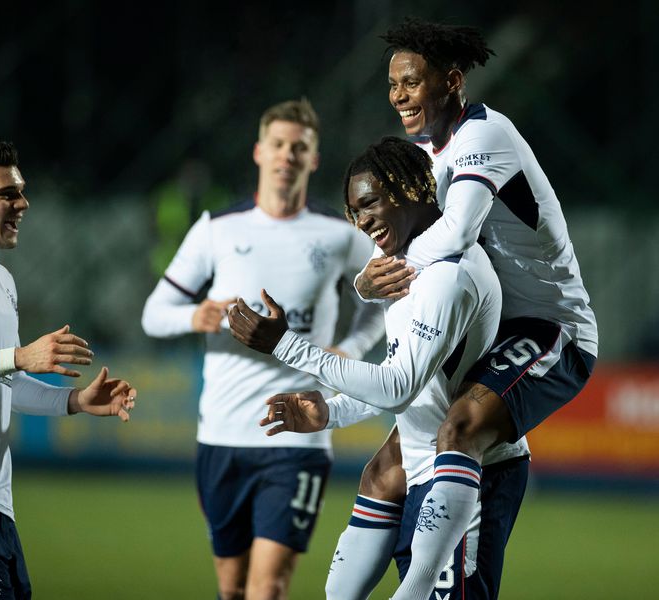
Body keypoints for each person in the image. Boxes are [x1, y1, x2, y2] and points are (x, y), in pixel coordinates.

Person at [331, 17, 598, 600]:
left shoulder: (484, 134)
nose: (399, 95)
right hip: (488, 325)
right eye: (393, 84)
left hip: (553, 330)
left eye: (412, 83)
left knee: (456, 429)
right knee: (388, 468)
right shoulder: (422, 155)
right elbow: (400, 227)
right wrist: (371, 280)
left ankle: (420, 588)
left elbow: (454, 233)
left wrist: (372, 280)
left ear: (452, 82)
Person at [229, 136, 531, 600]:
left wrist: (286, 345)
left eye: (369, 203)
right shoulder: (404, 266)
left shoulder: (450, 276)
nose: (362, 221)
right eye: (354, 211)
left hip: (471, 475)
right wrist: (330, 413)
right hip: (417, 466)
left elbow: (398, 388)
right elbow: (404, 371)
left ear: (411, 187)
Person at [141, 98, 384, 600]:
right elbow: (153, 313)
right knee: (231, 588)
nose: (287, 156)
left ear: (314, 159)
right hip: (222, 433)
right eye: (278, 144)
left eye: (300, 147)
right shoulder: (217, 228)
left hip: (297, 432)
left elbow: (381, 298)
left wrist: (352, 347)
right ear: (259, 151)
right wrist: (196, 315)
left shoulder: (339, 234)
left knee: (268, 586)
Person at [0, 138, 138, 600]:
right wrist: (16, 356)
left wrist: (72, 401)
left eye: (21, 191)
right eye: (7, 193)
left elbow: (4, 385)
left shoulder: (0, 278)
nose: (23, 203)